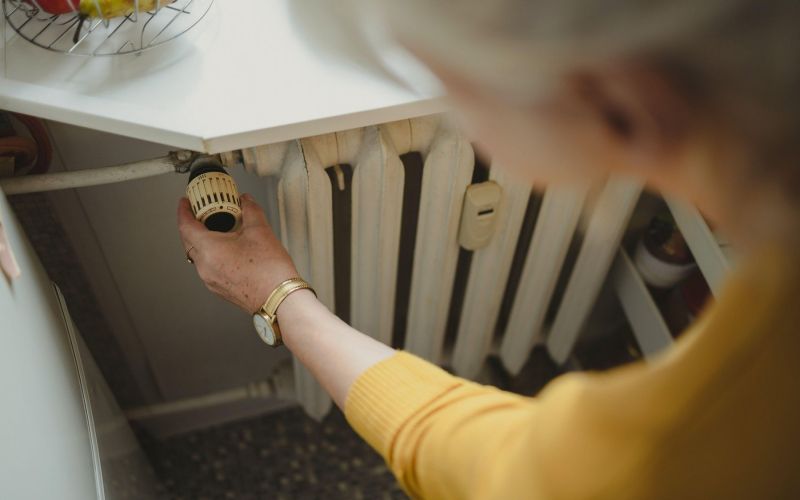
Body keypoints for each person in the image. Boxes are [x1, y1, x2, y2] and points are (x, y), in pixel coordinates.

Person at [177, 1, 800, 498]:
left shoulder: (689, 445)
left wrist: (278, 297)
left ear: (618, 100)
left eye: (443, 78)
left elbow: (483, 467)